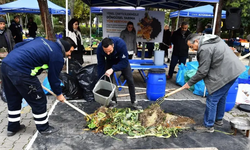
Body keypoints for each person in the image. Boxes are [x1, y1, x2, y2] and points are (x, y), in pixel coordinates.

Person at [2, 37, 76, 136]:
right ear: (65, 49)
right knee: (39, 100)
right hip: (21, 72)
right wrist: (59, 94)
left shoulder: (42, 40)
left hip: (6, 65)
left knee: (13, 98)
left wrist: (19, 59)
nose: (70, 55)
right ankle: (44, 128)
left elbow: (18, 46)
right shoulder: (57, 56)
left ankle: (12, 127)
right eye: (70, 52)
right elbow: (53, 79)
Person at [183, 33, 245, 133]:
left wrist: (189, 83)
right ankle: (219, 119)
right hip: (233, 70)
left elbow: (203, 71)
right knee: (222, 95)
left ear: (197, 41)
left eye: (191, 46)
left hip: (227, 72)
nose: (192, 49)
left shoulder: (205, 48)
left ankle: (208, 125)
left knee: (212, 99)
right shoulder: (212, 39)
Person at [96, 37, 142, 109]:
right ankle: (113, 101)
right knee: (108, 81)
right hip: (110, 61)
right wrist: (100, 79)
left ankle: (134, 101)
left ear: (113, 45)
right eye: (106, 52)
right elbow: (101, 64)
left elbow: (124, 62)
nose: (108, 53)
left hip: (122, 61)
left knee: (130, 80)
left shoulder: (121, 44)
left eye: (109, 51)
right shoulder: (99, 49)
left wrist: (113, 69)